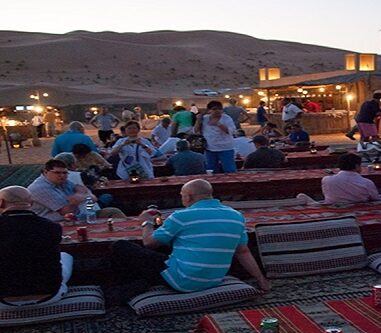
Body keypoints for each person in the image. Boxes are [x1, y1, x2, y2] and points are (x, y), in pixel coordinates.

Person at [109, 179, 271, 297]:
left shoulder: (181, 216)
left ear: (189, 197)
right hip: (214, 279)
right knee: (170, 246)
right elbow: (243, 252)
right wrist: (261, 280)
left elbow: (149, 243)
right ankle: (137, 283)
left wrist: (146, 222)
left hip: (183, 280)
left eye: (182, 196)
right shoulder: (236, 216)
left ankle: (118, 289)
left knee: (121, 247)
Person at [28, 159, 125, 222]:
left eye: (65, 173)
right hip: (55, 222)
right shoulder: (40, 188)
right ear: (45, 172)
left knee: (113, 211)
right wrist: (83, 198)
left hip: (80, 216)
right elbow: (67, 211)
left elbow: (91, 197)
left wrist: (79, 197)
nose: (62, 176)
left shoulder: (63, 182)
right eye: (57, 173)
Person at [195, 100, 237, 173]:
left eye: (220, 109)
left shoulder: (227, 118)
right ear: (209, 110)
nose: (217, 111)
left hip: (225, 148)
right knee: (211, 170)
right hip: (210, 148)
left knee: (230, 170)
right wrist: (198, 120)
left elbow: (231, 131)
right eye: (214, 109)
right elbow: (195, 130)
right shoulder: (204, 118)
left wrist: (219, 124)